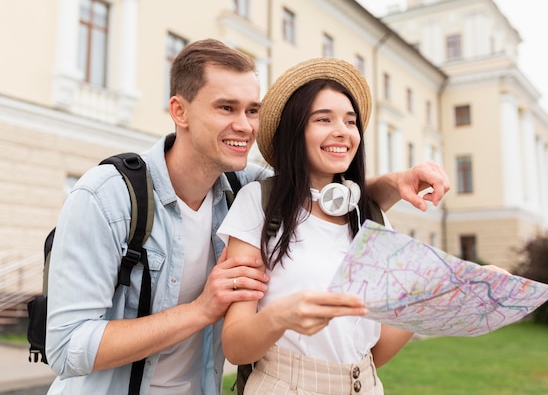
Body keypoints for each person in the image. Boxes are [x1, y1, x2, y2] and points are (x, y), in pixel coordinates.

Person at [45, 39, 449, 395]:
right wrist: (202, 310)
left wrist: (395, 183)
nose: (244, 126)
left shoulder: (245, 186)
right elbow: (66, 347)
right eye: (226, 108)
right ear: (179, 111)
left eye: (252, 110)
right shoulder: (105, 197)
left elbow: (322, 197)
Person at [218, 58, 424, 395]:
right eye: (323, 119)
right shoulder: (258, 203)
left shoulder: (372, 216)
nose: (342, 130)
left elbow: (373, 352)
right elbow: (234, 346)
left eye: (350, 121)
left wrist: (439, 299)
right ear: (295, 130)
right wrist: (279, 317)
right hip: (284, 385)